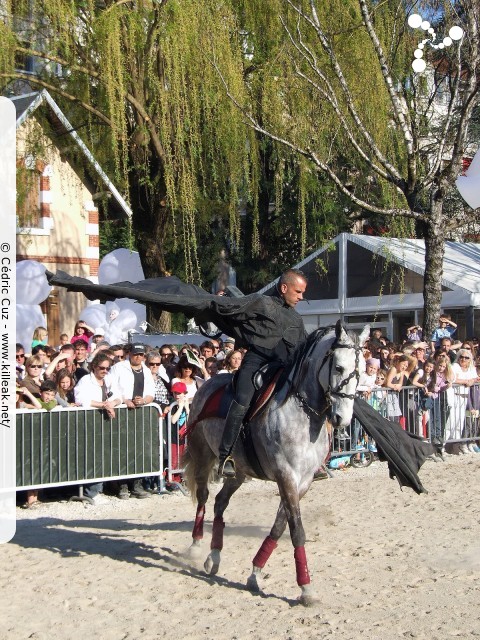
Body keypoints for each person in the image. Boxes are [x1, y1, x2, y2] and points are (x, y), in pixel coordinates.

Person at [218, 268, 307, 477]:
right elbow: (235, 311)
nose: (301, 297)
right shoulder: (261, 304)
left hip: (285, 365)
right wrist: (220, 302)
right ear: (284, 288)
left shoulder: (296, 319)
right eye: (298, 292)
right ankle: (225, 455)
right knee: (242, 399)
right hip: (256, 361)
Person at [74, 352, 122, 504]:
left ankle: (102, 488)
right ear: (94, 366)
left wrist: (112, 403)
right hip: (90, 424)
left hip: (106, 423)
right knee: (93, 457)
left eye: (108, 368)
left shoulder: (109, 380)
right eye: (102, 368)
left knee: (105, 455)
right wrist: (102, 404)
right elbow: (80, 399)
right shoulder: (85, 381)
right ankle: (92, 492)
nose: (105, 371)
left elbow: (119, 396)